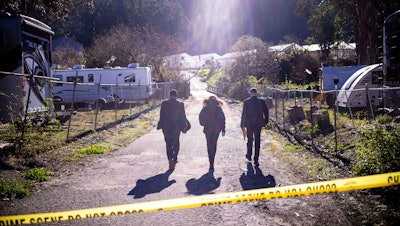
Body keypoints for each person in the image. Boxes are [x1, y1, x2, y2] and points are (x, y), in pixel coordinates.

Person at [157, 89, 187, 170]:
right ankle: (175, 157)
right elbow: (183, 116)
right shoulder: (180, 104)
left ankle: (170, 160)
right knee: (176, 142)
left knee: (168, 144)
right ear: (176, 95)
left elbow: (161, 115)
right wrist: (184, 126)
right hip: (176, 127)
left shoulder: (164, 103)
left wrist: (160, 125)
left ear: (170, 95)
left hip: (166, 127)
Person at [240, 88, 269, 166]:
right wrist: (265, 121)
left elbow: (244, 114)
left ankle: (249, 155)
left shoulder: (246, 102)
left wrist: (242, 124)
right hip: (258, 124)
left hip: (249, 124)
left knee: (250, 140)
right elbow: (266, 112)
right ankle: (256, 159)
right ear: (257, 93)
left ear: (250, 93)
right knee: (257, 141)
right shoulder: (262, 102)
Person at [199, 96, 226, 171]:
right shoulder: (218, 109)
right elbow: (222, 119)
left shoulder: (205, 108)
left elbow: (200, 117)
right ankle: (212, 161)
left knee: (208, 144)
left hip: (207, 129)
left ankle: (210, 161)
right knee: (214, 144)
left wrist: (203, 123)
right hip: (216, 129)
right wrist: (223, 129)